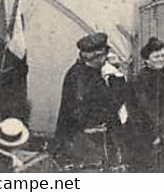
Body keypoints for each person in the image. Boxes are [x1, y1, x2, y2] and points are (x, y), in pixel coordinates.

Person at [54, 31, 126, 170]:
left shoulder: (91, 72)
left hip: (91, 140)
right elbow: (110, 104)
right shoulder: (80, 77)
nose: (106, 59)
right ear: (97, 57)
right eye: (104, 56)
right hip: (84, 143)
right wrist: (117, 78)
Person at [128, 37, 164, 172]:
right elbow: (145, 109)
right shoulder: (142, 79)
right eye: (156, 56)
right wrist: (154, 134)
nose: (160, 59)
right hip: (149, 128)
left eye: (162, 55)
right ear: (147, 60)